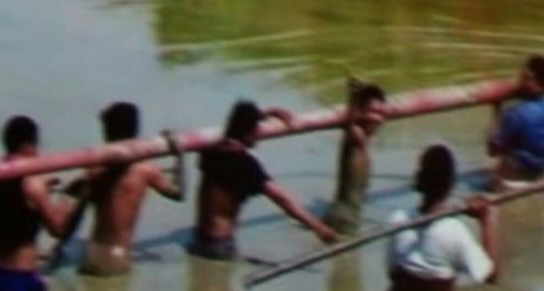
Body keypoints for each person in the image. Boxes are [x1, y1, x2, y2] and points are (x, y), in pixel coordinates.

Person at [383, 144, 499, 291]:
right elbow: (492, 276)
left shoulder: (397, 220)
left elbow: (394, 274)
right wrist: (486, 221)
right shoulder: (454, 232)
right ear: (450, 184)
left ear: (419, 179)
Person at [189, 100, 338, 260]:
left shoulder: (209, 152)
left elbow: (237, 124)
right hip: (220, 246)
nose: (260, 134)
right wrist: (319, 228)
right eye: (257, 129)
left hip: (198, 242)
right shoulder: (246, 165)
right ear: (249, 132)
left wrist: (266, 113)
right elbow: (283, 200)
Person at [71, 102, 184, 276]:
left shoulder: (95, 168)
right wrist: (179, 155)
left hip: (94, 250)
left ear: (108, 132)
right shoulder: (147, 170)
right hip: (120, 254)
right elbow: (178, 193)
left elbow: (78, 212)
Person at [0, 116, 75, 291]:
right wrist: (67, 197)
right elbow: (57, 230)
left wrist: (41, 190)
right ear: (29, 145)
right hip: (20, 279)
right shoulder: (33, 186)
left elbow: (13, 207)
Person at [325, 82, 388, 235]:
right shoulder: (355, 135)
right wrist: (352, 96)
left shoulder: (363, 140)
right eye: (371, 112)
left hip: (349, 216)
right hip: (344, 220)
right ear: (359, 112)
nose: (377, 118)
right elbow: (350, 123)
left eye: (380, 113)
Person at [488, 55, 544, 187]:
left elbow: (493, 150)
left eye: (523, 77)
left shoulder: (518, 113)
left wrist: (496, 110)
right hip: (542, 173)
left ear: (531, 79)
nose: (519, 82)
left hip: (514, 178)